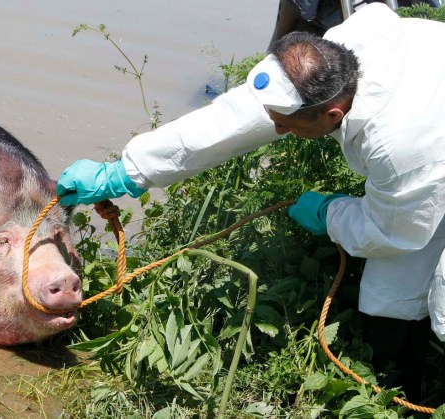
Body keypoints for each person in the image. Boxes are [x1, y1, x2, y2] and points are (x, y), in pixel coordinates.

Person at [57, 3, 445, 399]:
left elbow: (393, 234)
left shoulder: (397, 146)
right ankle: (401, 385)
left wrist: (331, 213)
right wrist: (128, 171)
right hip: (433, 133)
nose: (277, 128)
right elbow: (237, 116)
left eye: (288, 125)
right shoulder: (341, 53)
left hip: (431, 145)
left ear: (331, 115)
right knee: (389, 293)